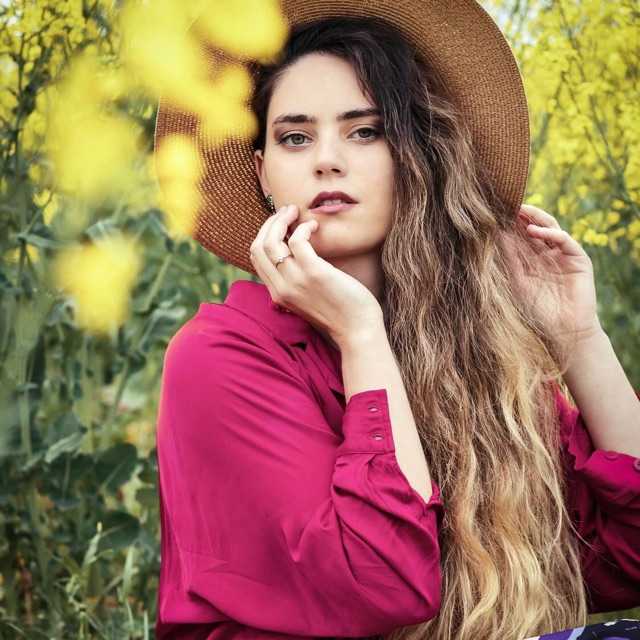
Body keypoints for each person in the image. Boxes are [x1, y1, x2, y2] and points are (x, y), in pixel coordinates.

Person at [152, 3, 640, 639]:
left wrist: (579, 338)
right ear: (262, 172)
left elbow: (628, 559)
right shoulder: (222, 355)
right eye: (295, 138)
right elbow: (385, 585)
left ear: (420, 154)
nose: (327, 160)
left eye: (365, 131)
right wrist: (361, 333)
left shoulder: (476, 350)